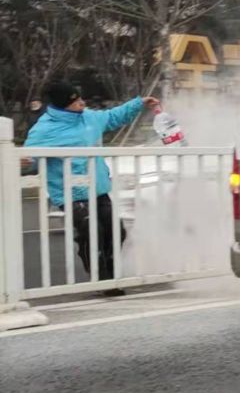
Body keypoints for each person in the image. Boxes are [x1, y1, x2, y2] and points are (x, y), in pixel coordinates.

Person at [24, 83, 159, 291]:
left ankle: (111, 272)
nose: (82, 102)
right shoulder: (44, 129)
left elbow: (114, 117)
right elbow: (29, 158)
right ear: (62, 105)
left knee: (116, 231)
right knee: (90, 229)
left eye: (80, 98)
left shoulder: (89, 118)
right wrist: (25, 164)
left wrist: (138, 104)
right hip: (70, 193)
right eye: (75, 100)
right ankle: (101, 278)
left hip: (97, 188)